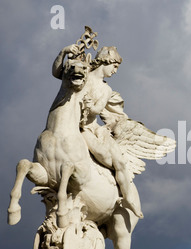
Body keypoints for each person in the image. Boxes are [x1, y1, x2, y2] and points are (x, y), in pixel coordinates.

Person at [52, 45, 144, 218]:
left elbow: (97, 110)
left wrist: (89, 106)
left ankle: (128, 197)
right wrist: (63, 52)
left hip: (90, 130)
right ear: (106, 61)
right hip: (71, 125)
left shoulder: (106, 89)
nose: (115, 71)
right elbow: (58, 73)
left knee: (120, 162)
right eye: (115, 66)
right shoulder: (83, 73)